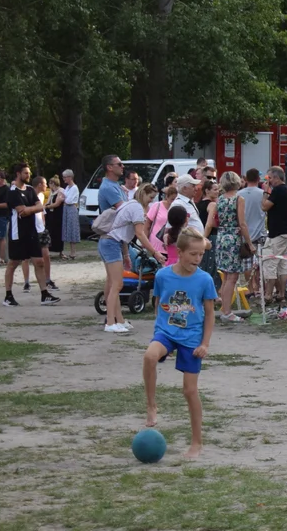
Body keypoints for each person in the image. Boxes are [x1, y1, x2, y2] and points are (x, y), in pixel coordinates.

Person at [142, 226, 217, 459]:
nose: (197, 259)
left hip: (191, 338)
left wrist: (205, 343)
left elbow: (210, 314)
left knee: (189, 391)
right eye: (193, 254)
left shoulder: (204, 280)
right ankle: (152, 405)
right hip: (166, 332)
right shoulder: (163, 275)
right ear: (180, 252)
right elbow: (158, 304)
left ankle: (197, 443)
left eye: (201, 255)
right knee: (149, 356)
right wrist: (160, 330)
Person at [99, 183, 166, 333]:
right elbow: (139, 233)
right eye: (150, 197)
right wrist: (154, 252)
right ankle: (110, 322)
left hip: (108, 242)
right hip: (111, 244)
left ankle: (119, 320)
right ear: (143, 194)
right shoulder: (136, 208)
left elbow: (122, 232)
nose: (151, 201)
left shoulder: (129, 204)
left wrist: (126, 254)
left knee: (113, 283)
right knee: (116, 284)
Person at [3, 163, 59, 307]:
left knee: (39, 262)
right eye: (26, 173)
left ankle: (44, 294)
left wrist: (31, 208)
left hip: (32, 231)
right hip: (18, 233)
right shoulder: (12, 191)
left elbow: (40, 206)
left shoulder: (29, 190)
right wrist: (33, 208)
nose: (28, 175)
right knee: (13, 263)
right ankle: (8, 295)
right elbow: (23, 210)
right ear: (18, 174)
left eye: (29, 173)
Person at [207, 171, 253, 322]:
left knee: (226, 276)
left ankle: (225, 309)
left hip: (221, 237)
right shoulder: (239, 199)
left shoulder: (218, 200)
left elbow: (213, 222)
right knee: (232, 277)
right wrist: (249, 243)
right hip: (233, 238)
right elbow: (243, 223)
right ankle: (227, 311)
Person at [260, 166, 287, 306]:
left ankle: (268, 295)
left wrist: (265, 191)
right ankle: (281, 294)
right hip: (286, 231)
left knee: (270, 262)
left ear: (276, 177)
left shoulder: (278, 190)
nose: (268, 181)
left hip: (277, 233)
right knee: (282, 263)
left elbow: (264, 207)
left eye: (269, 178)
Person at [32, 176, 60, 293]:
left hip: (41, 229)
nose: (46, 186)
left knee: (46, 256)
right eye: (44, 184)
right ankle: (27, 282)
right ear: (39, 185)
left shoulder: (42, 196)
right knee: (27, 259)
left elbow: (42, 212)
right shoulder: (30, 195)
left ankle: (48, 280)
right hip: (32, 230)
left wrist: (43, 225)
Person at [146, 185, 178, 256]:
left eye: (176, 199)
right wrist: (144, 242)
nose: (174, 202)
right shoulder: (157, 205)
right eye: (172, 199)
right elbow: (147, 224)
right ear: (167, 197)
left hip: (170, 246)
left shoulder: (178, 209)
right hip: (154, 244)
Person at [61, 170, 81, 259]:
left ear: (70, 177)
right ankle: (71, 251)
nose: (64, 179)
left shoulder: (74, 188)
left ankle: (73, 252)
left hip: (71, 209)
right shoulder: (68, 187)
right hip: (66, 209)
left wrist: (63, 197)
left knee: (72, 229)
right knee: (68, 229)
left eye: (65, 177)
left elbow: (68, 200)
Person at [45, 176, 65, 257]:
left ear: (53, 184)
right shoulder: (51, 192)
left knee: (58, 232)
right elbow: (49, 201)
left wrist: (47, 207)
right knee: (50, 231)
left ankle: (60, 250)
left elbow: (57, 203)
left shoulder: (61, 191)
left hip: (58, 214)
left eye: (50, 183)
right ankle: (49, 249)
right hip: (51, 214)